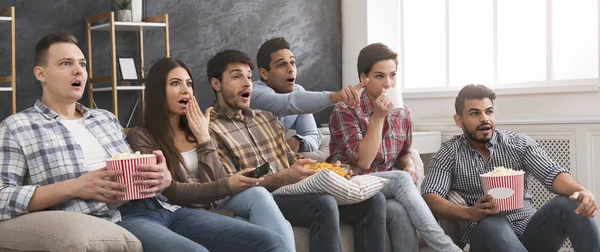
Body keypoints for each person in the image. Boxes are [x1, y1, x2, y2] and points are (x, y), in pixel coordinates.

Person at [0, 32, 287, 252]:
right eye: (66, 64)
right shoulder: (18, 127)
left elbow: (138, 169)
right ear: (41, 74)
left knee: (270, 242)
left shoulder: (105, 119)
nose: (79, 71)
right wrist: (75, 186)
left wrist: (160, 175)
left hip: (161, 207)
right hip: (120, 217)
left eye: (82, 64)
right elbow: (2, 198)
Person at [207, 49, 387, 252]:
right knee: (323, 203)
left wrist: (326, 170)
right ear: (216, 84)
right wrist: (282, 177)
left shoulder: (266, 118)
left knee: (373, 200)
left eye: (249, 76)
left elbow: (290, 157)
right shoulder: (211, 129)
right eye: (236, 76)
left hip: (292, 190)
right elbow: (230, 184)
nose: (247, 82)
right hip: (265, 197)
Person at [126, 57, 295, 251]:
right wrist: (225, 186)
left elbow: (217, 178)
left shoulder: (197, 127)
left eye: (189, 84)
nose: (185, 90)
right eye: (175, 83)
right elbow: (167, 191)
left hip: (214, 199)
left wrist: (204, 138)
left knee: (258, 193)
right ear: (158, 92)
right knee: (269, 229)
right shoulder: (141, 136)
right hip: (186, 209)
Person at [421, 84, 600, 252]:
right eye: (475, 113)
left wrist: (582, 191)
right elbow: (430, 196)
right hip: (485, 234)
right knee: (492, 222)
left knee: (571, 202)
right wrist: (469, 212)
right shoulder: (450, 151)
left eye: (489, 111)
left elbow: (551, 173)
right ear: (459, 120)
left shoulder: (518, 143)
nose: (484, 118)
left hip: (529, 231)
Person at [326, 43, 461, 252]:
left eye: (393, 75)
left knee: (398, 210)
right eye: (380, 76)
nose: (388, 83)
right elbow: (364, 160)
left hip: (381, 189)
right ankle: (448, 249)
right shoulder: (345, 110)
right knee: (400, 179)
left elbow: (403, 154)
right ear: (364, 78)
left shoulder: (402, 113)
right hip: (349, 184)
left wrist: (409, 166)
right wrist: (379, 116)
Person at [250, 37, 366, 156]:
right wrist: (335, 97)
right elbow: (285, 104)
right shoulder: (253, 93)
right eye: (281, 65)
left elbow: (312, 135)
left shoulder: (298, 92)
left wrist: (299, 141)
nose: (291, 69)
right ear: (264, 73)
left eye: (292, 63)